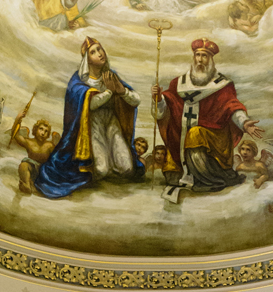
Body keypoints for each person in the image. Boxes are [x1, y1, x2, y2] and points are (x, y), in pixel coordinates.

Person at [34, 37, 144, 198]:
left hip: (112, 122)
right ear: (87, 60)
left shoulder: (110, 76)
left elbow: (136, 100)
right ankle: (98, 163)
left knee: (127, 169)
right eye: (93, 52)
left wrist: (121, 91)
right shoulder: (79, 80)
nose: (99, 53)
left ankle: (112, 160)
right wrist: (109, 92)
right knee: (101, 170)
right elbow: (90, 105)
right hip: (90, 125)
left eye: (100, 49)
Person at [154, 38, 261, 199]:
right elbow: (166, 108)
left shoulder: (222, 85)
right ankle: (186, 172)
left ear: (211, 60)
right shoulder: (179, 83)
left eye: (204, 56)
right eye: (197, 55)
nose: (200, 60)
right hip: (181, 138)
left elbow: (232, 107)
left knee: (195, 134)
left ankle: (209, 179)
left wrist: (244, 123)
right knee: (172, 176)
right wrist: (159, 99)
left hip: (214, 138)